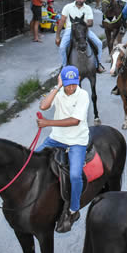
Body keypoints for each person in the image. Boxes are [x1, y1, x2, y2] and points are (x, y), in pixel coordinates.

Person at [36, 66, 89, 232]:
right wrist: (57, 87)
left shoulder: (83, 95)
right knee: (33, 159)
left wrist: (48, 123)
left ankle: (74, 209)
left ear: (78, 80)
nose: (71, 88)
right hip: (56, 138)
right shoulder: (59, 92)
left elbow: (75, 121)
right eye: (68, 84)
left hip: (77, 141)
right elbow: (43, 106)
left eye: (73, 84)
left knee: (74, 175)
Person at [55, 0, 104, 72]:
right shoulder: (68, 7)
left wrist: (81, 25)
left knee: (99, 43)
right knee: (62, 47)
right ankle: (64, 66)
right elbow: (62, 21)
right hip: (70, 30)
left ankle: (97, 64)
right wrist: (57, 36)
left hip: (84, 30)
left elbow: (90, 22)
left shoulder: (88, 8)